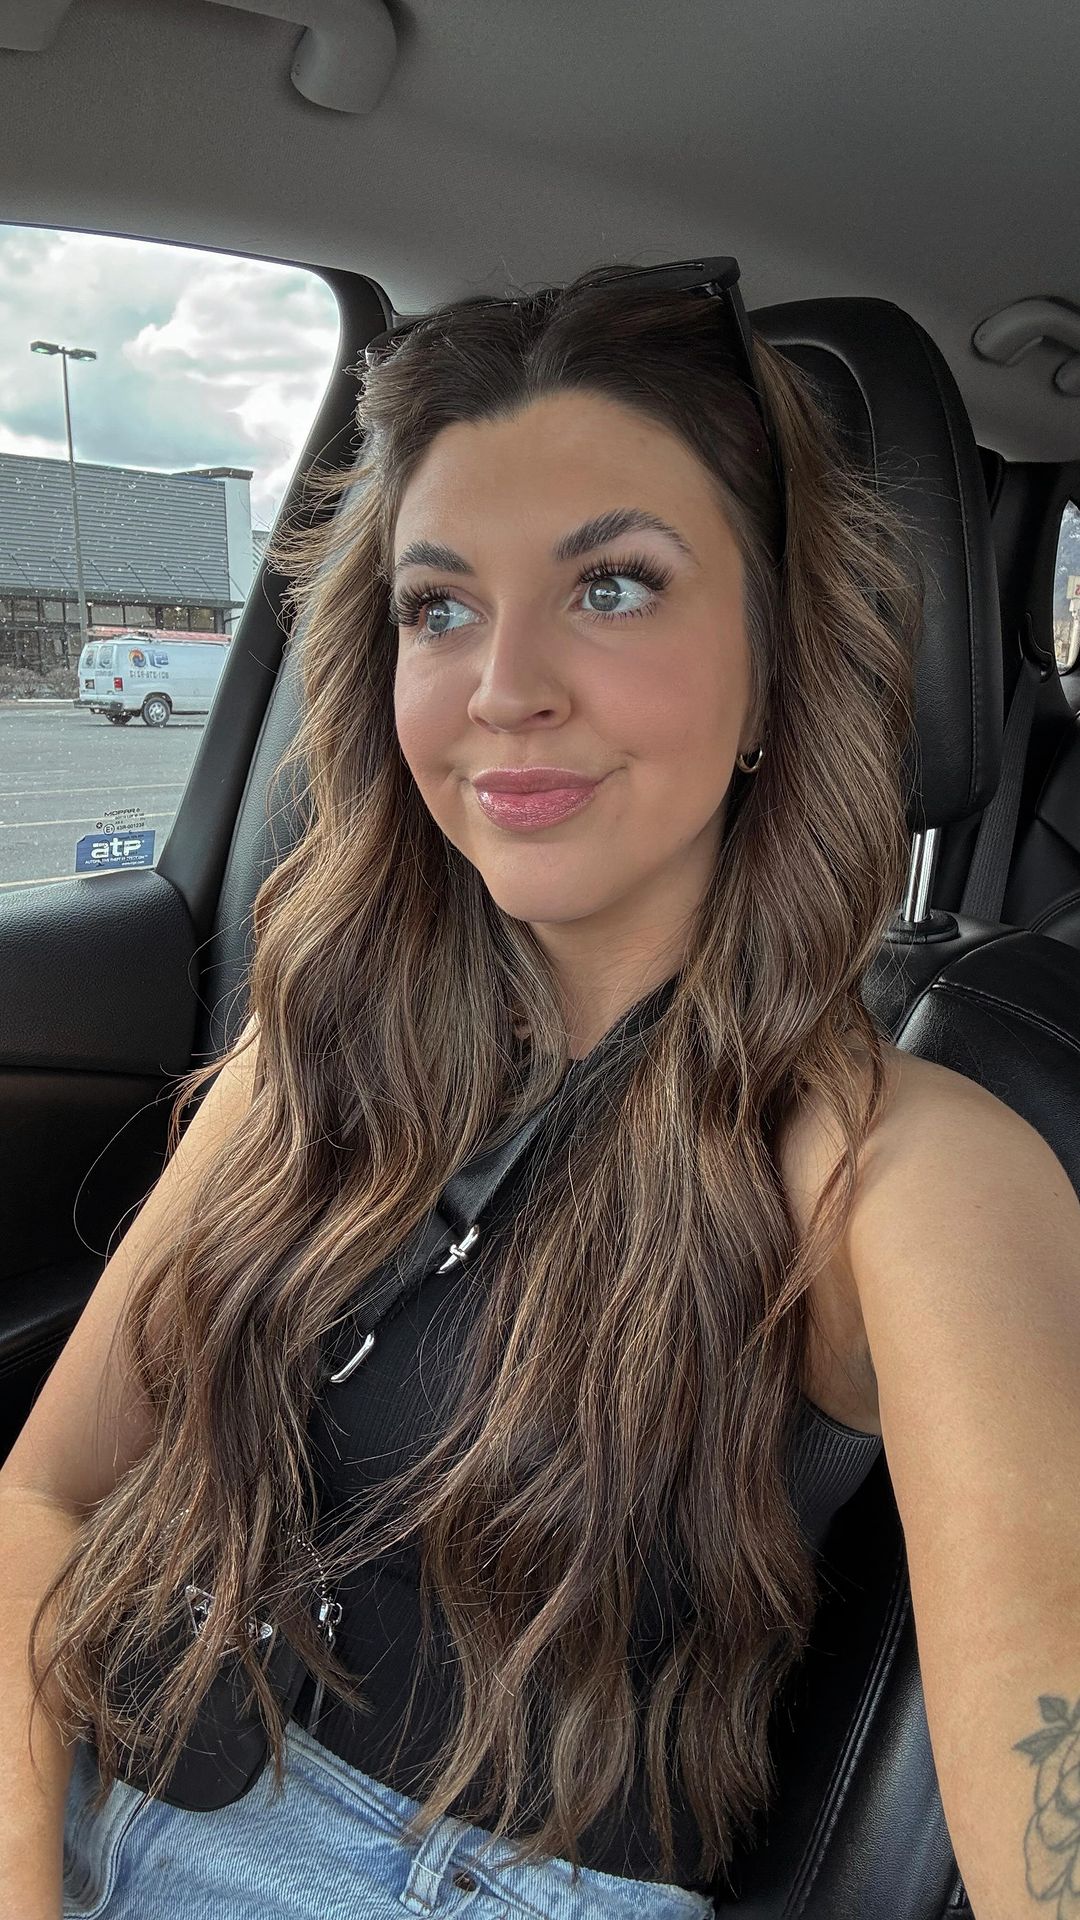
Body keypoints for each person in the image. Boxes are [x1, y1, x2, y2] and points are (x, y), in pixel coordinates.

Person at [7, 258, 922, 1917]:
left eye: (614, 585)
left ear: (779, 660)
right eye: (439, 607)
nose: (504, 685)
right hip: (89, 1753)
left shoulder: (889, 1168)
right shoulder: (314, 1048)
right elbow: (44, 1492)